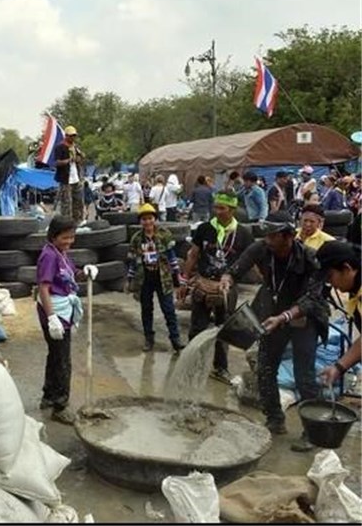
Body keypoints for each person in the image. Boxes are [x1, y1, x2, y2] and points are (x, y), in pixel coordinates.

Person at [220, 211, 329, 452]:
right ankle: (274, 419)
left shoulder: (309, 258)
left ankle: (312, 432)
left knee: (304, 375)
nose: (267, 240)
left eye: (272, 236)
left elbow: (313, 298)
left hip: (304, 318)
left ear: (287, 236)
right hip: (272, 312)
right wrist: (227, 278)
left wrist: (286, 316)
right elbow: (237, 268)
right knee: (265, 367)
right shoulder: (261, 249)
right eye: (266, 235)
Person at [179, 191, 253, 384]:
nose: (217, 212)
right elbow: (193, 255)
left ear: (233, 210)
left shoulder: (244, 234)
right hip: (203, 284)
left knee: (223, 329)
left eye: (222, 208)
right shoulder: (204, 228)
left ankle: (220, 367)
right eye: (216, 207)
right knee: (197, 327)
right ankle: (192, 362)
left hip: (227, 289)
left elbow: (250, 260)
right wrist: (184, 280)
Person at [36, 215, 98, 424]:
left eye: (72, 237)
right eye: (65, 238)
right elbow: (43, 288)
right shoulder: (49, 256)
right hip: (55, 310)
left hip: (63, 308)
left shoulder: (61, 253)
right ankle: (60, 406)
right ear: (53, 236)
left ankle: (49, 395)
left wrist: (84, 273)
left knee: (55, 354)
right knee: (63, 359)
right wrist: (52, 317)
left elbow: (68, 277)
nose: (69, 242)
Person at [126, 204, 184, 353]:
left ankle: (175, 339)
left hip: (163, 278)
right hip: (144, 279)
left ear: (155, 219)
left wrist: (176, 275)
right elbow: (132, 260)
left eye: (150, 218)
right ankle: (148, 338)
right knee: (146, 310)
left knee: (168, 309)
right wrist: (129, 279)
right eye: (144, 219)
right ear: (141, 222)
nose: (147, 222)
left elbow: (172, 256)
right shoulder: (137, 239)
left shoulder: (164, 235)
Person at [315, 242, 361, 386]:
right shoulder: (356, 289)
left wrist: (339, 367)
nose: (331, 284)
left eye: (330, 277)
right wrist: (338, 367)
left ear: (346, 269)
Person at [52, 126, 85, 223]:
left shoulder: (75, 147)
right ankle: (66, 222)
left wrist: (80, 159)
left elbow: (81, 159)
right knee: (66, 203)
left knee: (78, 201)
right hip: (65, 179)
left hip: (76, 177)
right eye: (71, 136)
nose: (73, 138)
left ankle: (78, 221)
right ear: (66, 136)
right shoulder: (60, 147)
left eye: (74, 136)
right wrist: (68, 160)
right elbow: (57, 162)